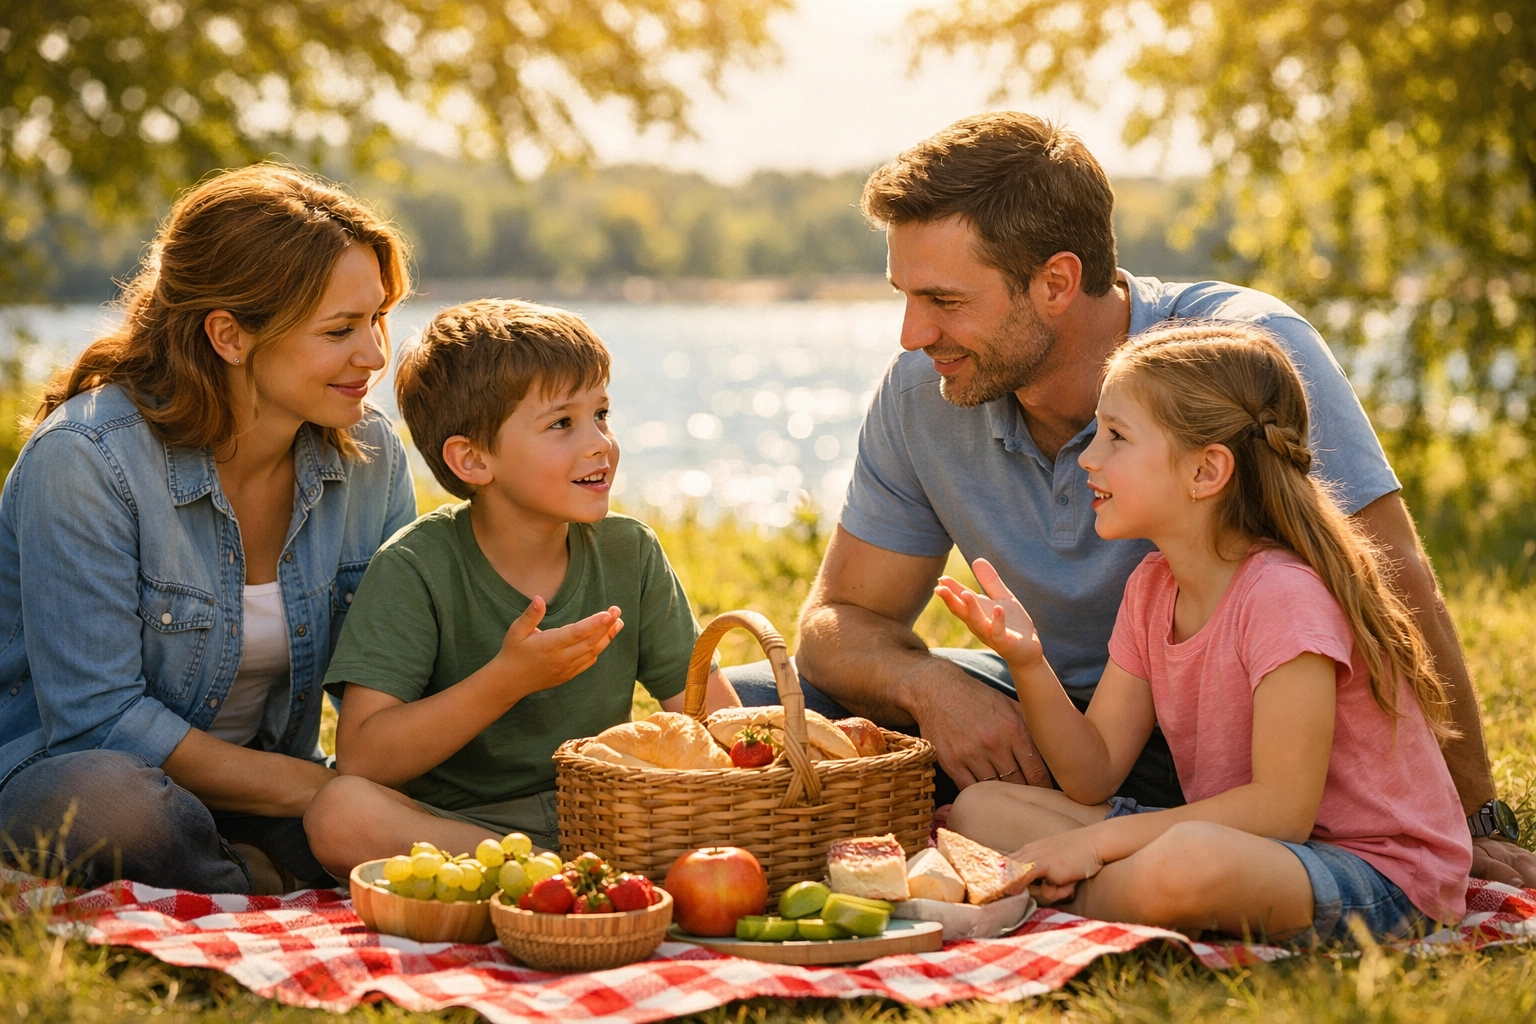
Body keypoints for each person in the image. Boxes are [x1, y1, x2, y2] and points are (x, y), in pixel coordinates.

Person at [727, 110, 1536, 887]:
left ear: (1056, 281)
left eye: (945, 301)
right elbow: (837, 624)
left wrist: (1473, 818)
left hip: (1245, 740)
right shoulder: (922, 393)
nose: (912, 334)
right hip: (1068, 729)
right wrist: (932, 689)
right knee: (751, 708)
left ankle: (1113, 852)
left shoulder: (1241, 357)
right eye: (904, 296)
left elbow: (1392, 580)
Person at [937, 323, 1472, 943]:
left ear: (1206, 471)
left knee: (1186, 863)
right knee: (981, 809)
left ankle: (1050, 894)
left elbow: (1282, 812)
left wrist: (1096, 844)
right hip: (1244, 842)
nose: (1087, 457)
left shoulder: (1282, 595)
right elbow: (1094, 774)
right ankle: (1095, 890)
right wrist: (1028, 661)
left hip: (1375, 872)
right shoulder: (1153, 586)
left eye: (1116, 436)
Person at [0, 164, 417, 894]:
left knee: (419, 806)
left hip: (265, 786)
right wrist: (322, 794)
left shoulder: (370, 455)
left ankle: (239, 875)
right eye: (339, 330)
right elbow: (100, 722)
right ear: (229, 335)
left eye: (377, 319)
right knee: (116, 805)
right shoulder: (86, 459)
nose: (375, 355)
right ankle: (258, 881)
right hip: (68, 778)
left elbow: (392, 686)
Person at [303, 300, 738, 875]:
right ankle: (549, 870)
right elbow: (363, 758)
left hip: (606, 813)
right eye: (561, 423)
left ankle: (568, 874)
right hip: (461, 829)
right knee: (338, 813)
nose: (599, 443)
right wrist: (507, 680)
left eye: (601, 414)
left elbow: (710, 717)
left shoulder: (629, 552)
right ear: (472, 460)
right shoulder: (415, 566)